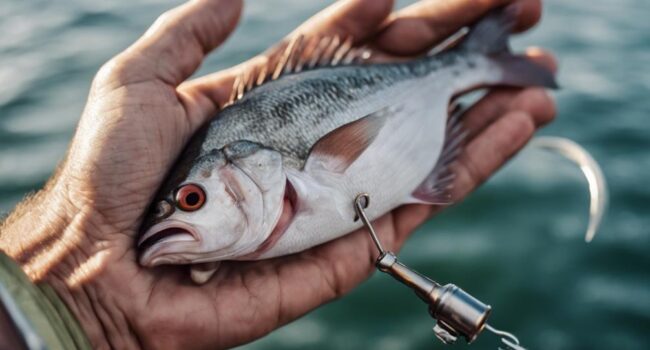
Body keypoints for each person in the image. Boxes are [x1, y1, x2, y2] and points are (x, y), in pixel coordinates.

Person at [0, 0, 556, 348]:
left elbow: (361, 134)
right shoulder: (222, 215)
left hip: (405, 115)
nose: (179, 215)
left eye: (191, 199)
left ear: (249, 168)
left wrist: (71, 303)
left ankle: (479, 61)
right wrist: (86, 301)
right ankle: (480, 62)